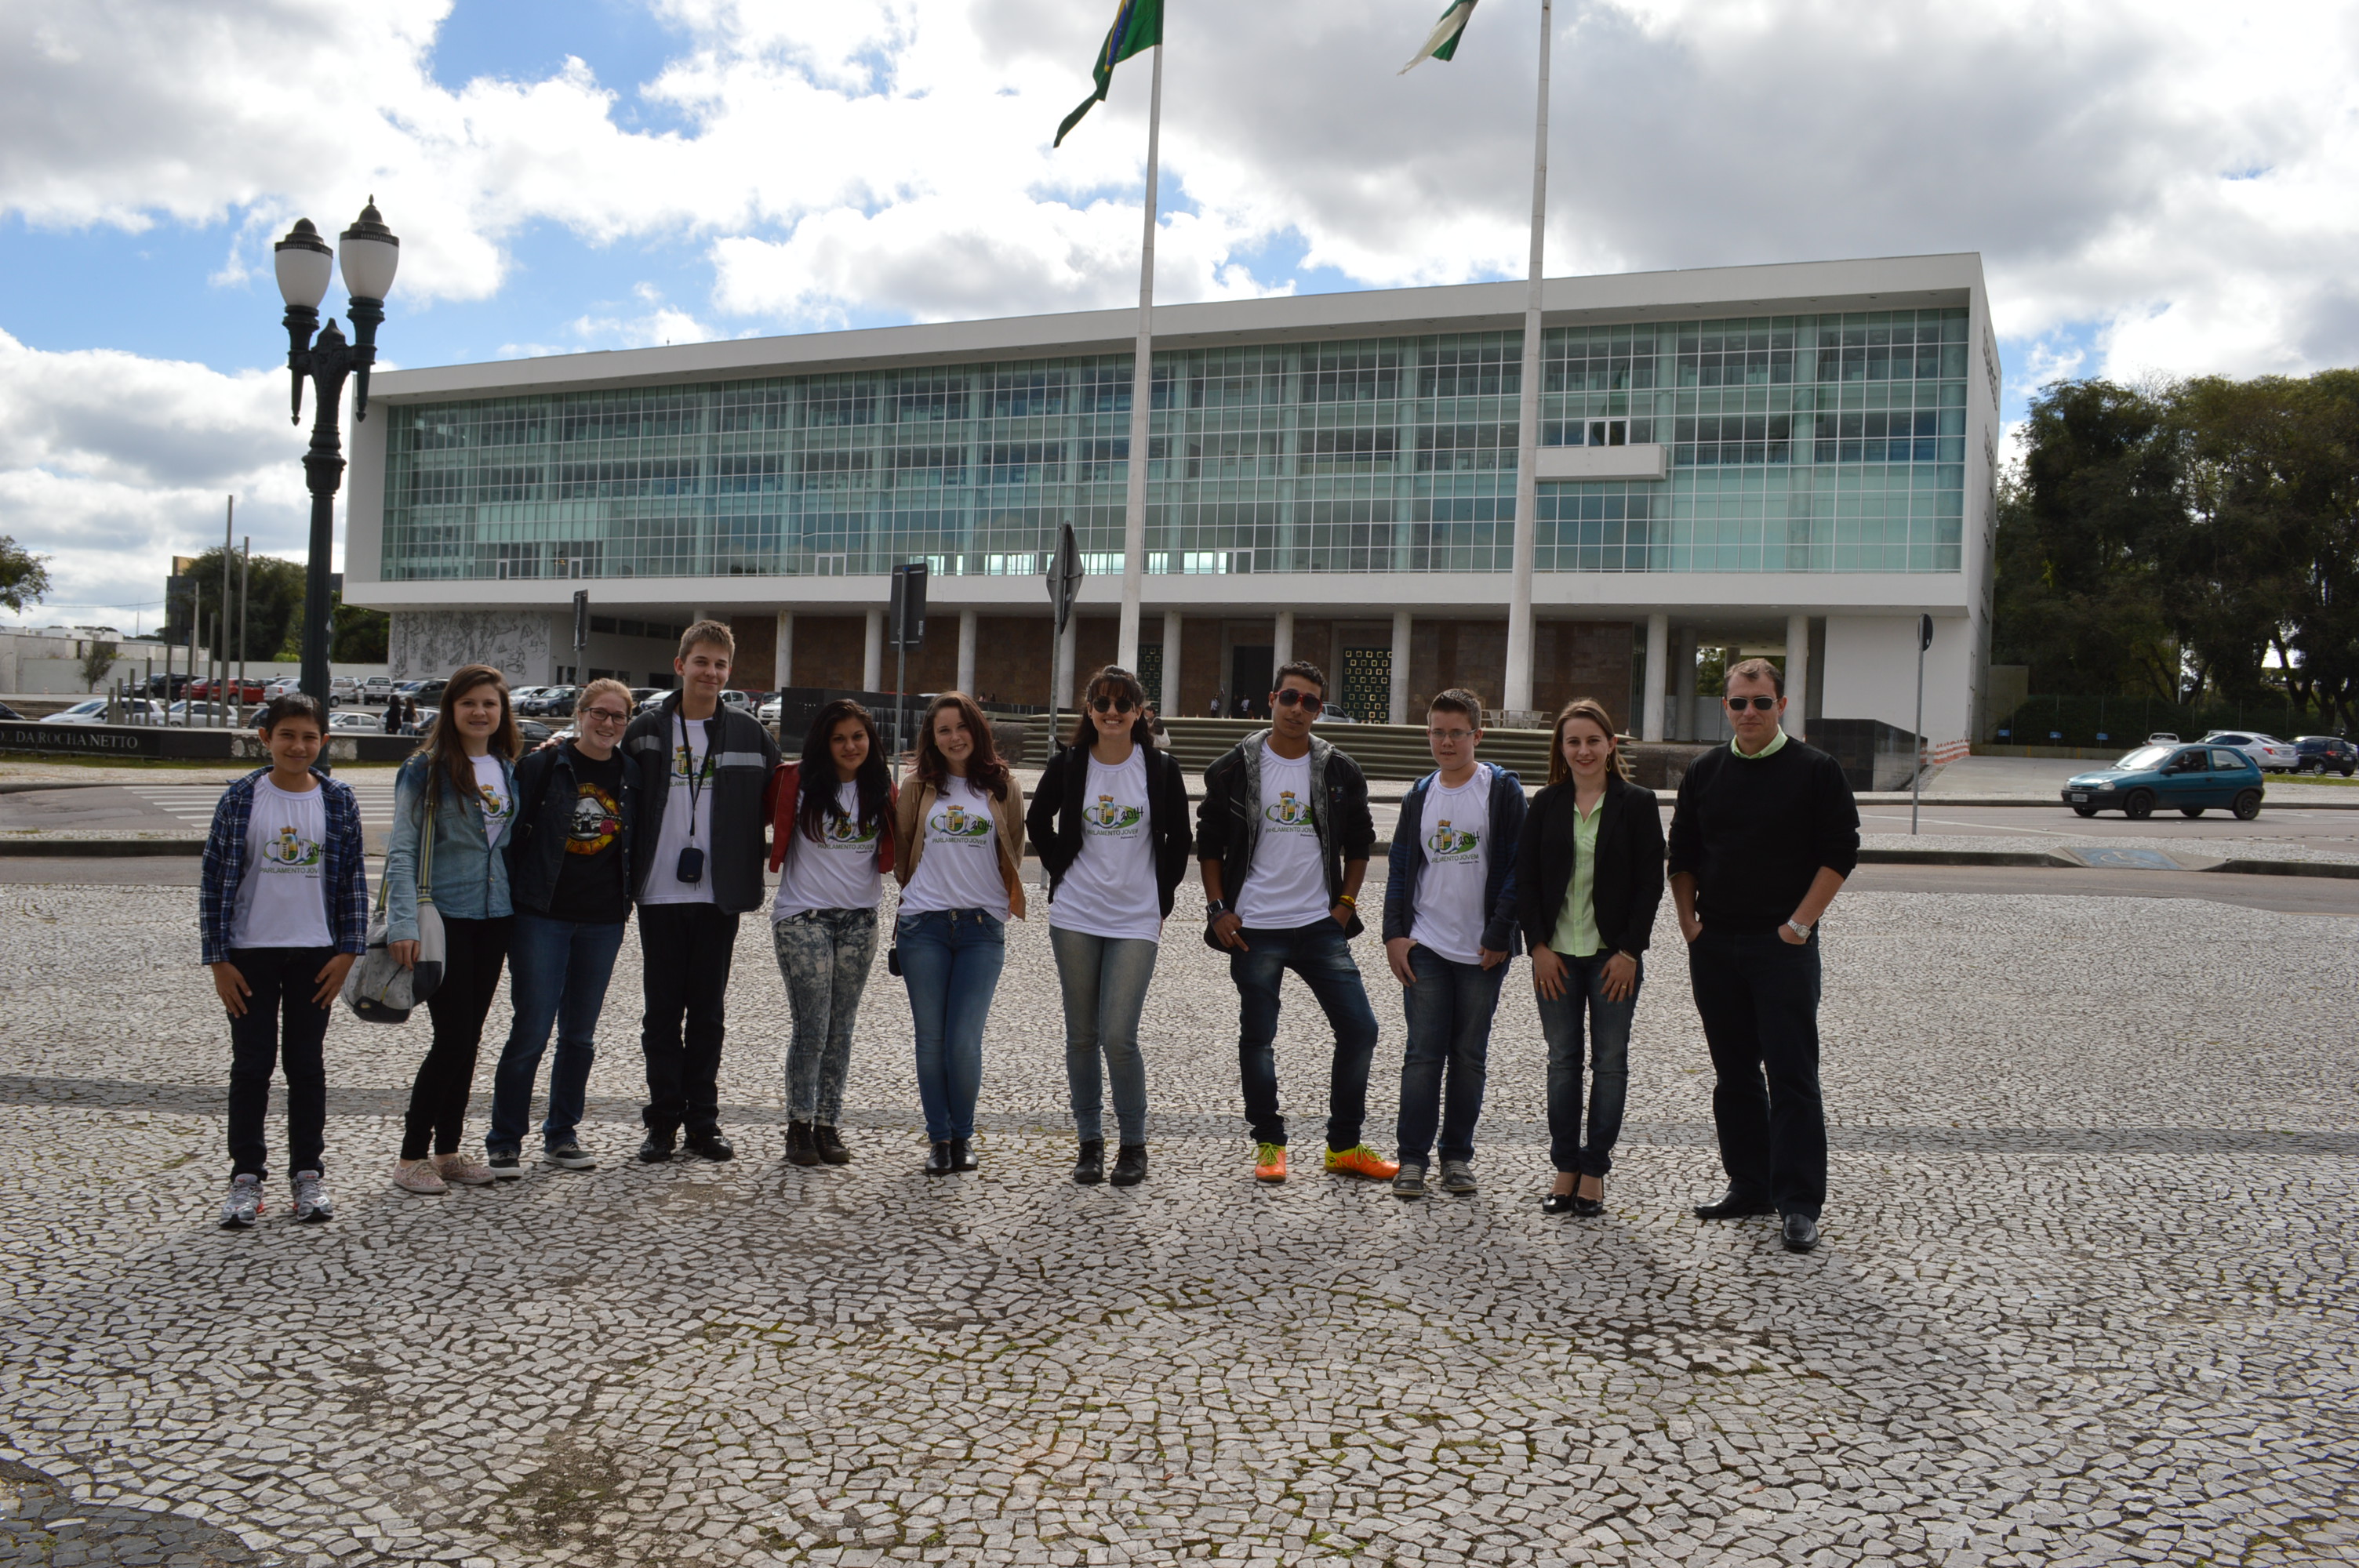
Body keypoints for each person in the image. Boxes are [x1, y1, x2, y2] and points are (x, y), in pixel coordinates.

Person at [1668, 657, 1859, 1253]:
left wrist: (1798, 926)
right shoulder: (1705, 770)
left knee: (1792, 1075)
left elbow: (1840, 853)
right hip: (1716, 946)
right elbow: (1682, 853)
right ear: (1725, 707)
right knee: (1734, 1075)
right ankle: (1750, 1184)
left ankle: (1799, 1202)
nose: (1748, 712)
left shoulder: (1816, 770)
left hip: (1783, 948)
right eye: (1738, 702)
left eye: (1760, 702)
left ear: (1781, 705)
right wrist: (1689, 925)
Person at [1197, 660, 1392, 1185]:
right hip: (1254, 928)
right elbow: (1209, 844)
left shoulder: (1338, 769)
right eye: (1290, 697)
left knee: (1361, 1029)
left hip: (1319, 925)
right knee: (1258, 1038)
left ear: (1319, 709)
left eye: (1310, 702)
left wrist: (1345, 906)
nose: (1298, 709)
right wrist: (1218, 909)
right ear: (1272, 699)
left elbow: (1360, 844)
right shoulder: (1233, 768)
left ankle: (1343, 1147)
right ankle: (1269, 1143)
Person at [202, 694, 368, 1227]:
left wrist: (348, 953)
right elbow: (213, 882)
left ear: (324, 741)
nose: (299, 746)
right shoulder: (241, 798)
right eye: (287, 735)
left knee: (306, 1065)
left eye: (310, 737)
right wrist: (218, 961)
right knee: (252, 1065)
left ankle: (308, 1173)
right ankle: (246, 1176)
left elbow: (352, 881)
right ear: (265, 739)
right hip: (249, 953)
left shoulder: (337, 799)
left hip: (315, 953)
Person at [1027, 666, 1194, 1186]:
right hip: (1075, 914)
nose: (1112, 712)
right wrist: (1062, 868)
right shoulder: (1070, 763)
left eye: (1123, 704)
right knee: (1082, 1036)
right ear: (1089, 710)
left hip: (1135, 917)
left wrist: (1161, 896)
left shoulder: (1159, 768)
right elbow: (1037, 822)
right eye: (1102, 703)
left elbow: (1180, 839)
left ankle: (1133, 1144)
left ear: (1140, 712)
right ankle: (1089, 1143)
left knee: (1119, 1035)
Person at [623, 622, 783, 1164]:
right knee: (661, 1015)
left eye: (719, 664)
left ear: (728, 671)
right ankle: (662, 1122)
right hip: (659, 892)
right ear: (680, 665)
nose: (710, 673)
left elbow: (780, 797)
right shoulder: (646, 729)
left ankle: (703, 1123)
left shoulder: (748, 732)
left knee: (708, 1015)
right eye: (701, 662)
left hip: (719, 892)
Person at [482, 679, 638, 1178]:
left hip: (603, 919)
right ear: (580, 713)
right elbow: (510, 837)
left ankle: (562, 1134)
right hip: (541, 914)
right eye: (599, 713)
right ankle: (504, 1140)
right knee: (530, 1030)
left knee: (580, 1036)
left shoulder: (633, 775)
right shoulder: (543, 765)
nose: (607, 723)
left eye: (618, 716)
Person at [1516, 699, 1664, 1217]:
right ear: (1561, 748)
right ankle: (1565, 1166)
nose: (1583, 750)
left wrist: (1630, 952)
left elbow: (1650, 884)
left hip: (1611, 958)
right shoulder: (1545, 803)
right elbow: (1526, 880)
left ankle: (1595, 1170)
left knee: (1610, 1062)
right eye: (1573, 741)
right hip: (1555, 957)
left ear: (1611, 745)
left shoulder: (1637, 803)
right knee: (1562, 1061)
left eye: (1593, 741)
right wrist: (1537, 946)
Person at [1381, 689, 1525, 1199]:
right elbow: (1401, 866)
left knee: (1468, 1056)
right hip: (1427, 944)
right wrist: (1394, 935)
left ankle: (1457, 1157)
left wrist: (1499, 933)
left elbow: (1519, 867)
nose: (1446, 742)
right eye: (1438, 732)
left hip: (1483, 951)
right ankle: (1412, 1160)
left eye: (1456, 733)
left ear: (1477, 736)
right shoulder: (1420, 794)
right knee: (1423, 1056)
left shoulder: (1501, 790)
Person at [385, 665, 521, 1196]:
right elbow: (401, 849)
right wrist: (403, 922)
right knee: (452, 1038)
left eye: (490, 703)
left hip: (495, 916)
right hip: (444, 918)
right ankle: (410, 1156)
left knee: (469, 1038)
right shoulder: (425, 769)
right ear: (451, 710)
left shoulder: (506, 768)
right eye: (469, 703)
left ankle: (447, 1152)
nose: (480, 712)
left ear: (502, 711)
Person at [893, 691, 1027, 1177]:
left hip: (981, 928)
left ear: (977, 729)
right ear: (932, 738)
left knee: (963, 1040)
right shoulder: (917, 786)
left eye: (961, 727)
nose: (954, 738)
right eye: (943, 730)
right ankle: (940, 1138)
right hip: (923, 926)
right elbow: (905, 851)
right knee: (931, 1040)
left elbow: (1013, 845)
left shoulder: (1002, 785)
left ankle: (964, 1136)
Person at [766, 698, 896, 1167]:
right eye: (838, 738)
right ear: (823, 742)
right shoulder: (796, 783)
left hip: (860, 920)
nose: (850, 746)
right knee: (812, 1028)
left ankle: (828, 1124)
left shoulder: (882, 787)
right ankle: (799, 1125)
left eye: (858, 737)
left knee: (841, 1028)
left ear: (871, 740)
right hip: (805, 917)